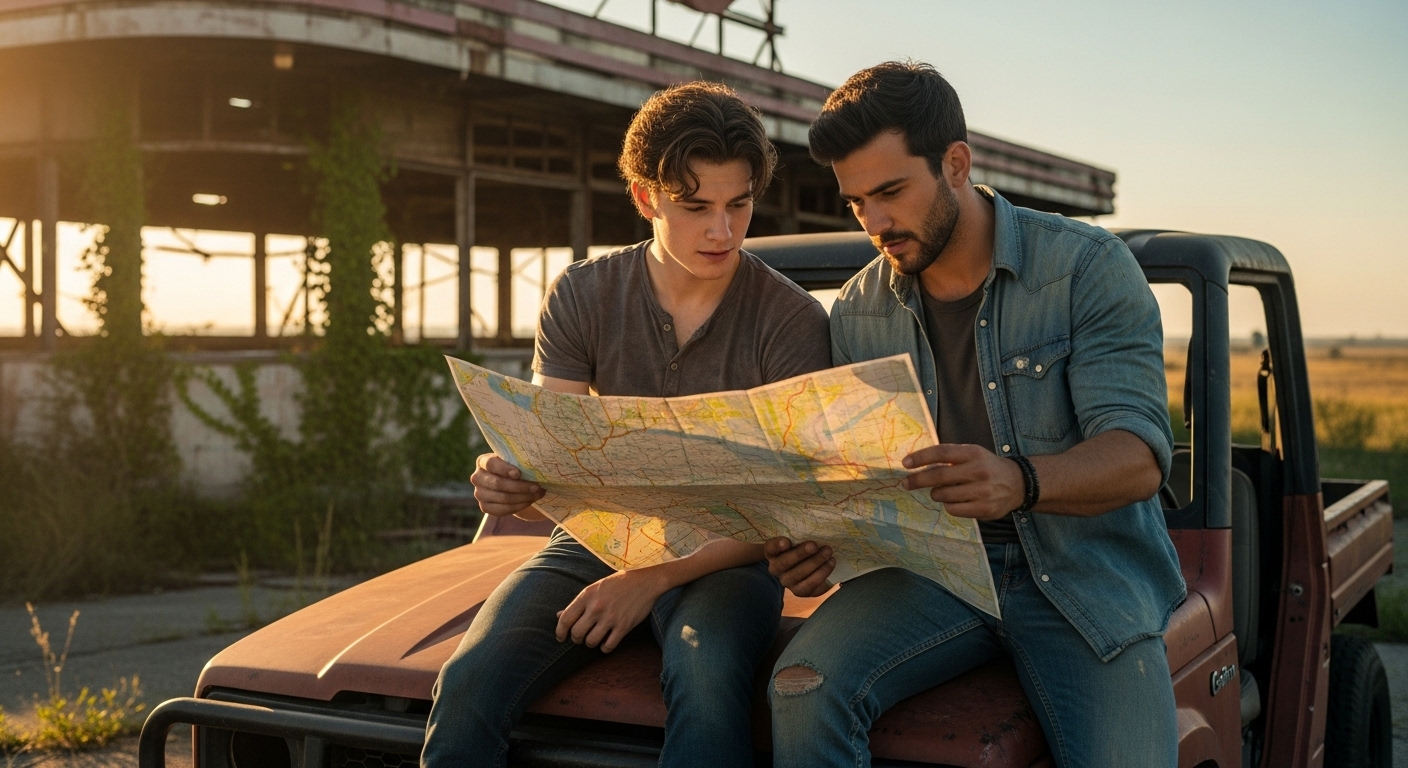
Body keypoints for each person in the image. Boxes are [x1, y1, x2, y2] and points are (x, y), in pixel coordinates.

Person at [762, 61, 1185, 768]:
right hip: (933, 572)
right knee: (802, 687)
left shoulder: (1087, 268)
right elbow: (857, 481)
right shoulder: (860, 309)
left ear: (955, 163)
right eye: (857, 202)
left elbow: (1139, 454)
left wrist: (1019, 480)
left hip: (1085, 576)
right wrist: (814, 548)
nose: (876, 222)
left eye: (891, 191)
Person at [421, 81, 832, 768]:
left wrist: (649, 580)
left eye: (739, 204)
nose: (723, 230)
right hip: (598, 537)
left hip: (731, 554)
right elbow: (554, 451)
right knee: (467, 682)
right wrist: (509, 481)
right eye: (696, 207)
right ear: (647, 198)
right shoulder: (583, 294)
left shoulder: (791, 321)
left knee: (707, 680)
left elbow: (780, 508)